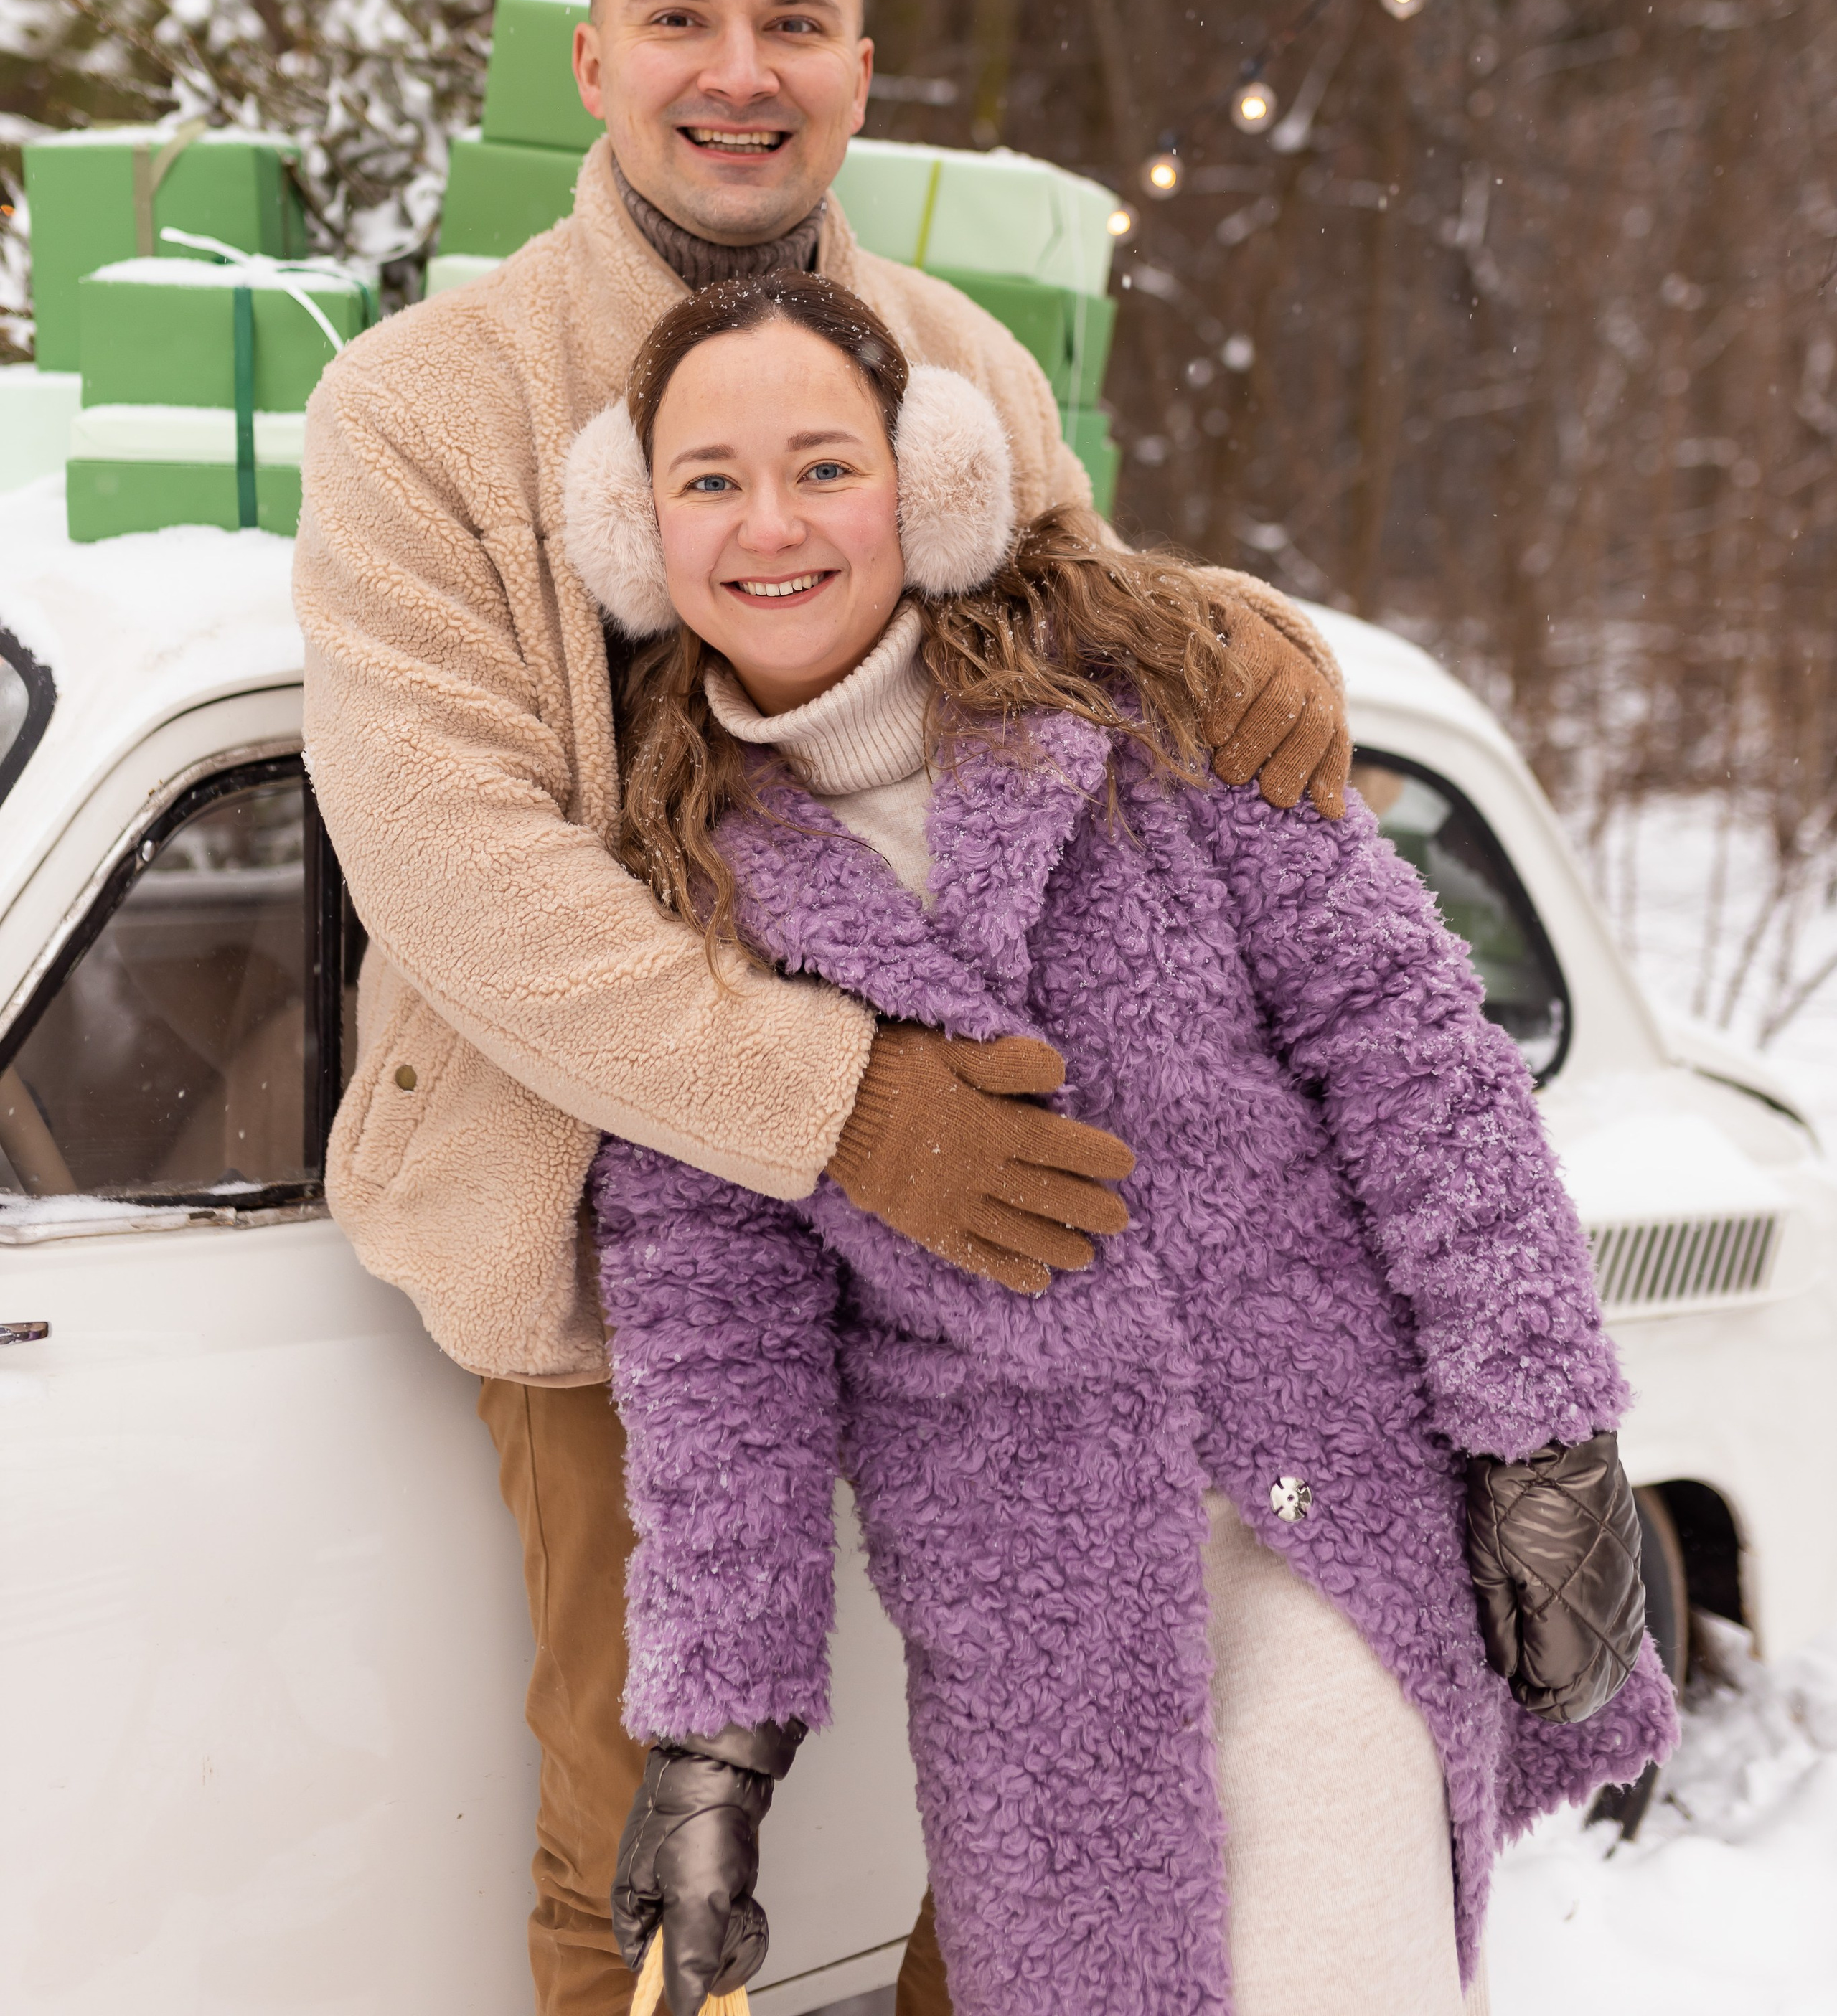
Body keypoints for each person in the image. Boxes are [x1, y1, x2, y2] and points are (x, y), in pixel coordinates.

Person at [295, 0, 1353, 2015]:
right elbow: (456, 865)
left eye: (796, 19)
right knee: (651, 1836)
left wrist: (1248, 623)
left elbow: (1065, 649)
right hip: (625, 1226)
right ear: (592, 58)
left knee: (1053, 1778)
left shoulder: (961, 364)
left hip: (1004, 1192)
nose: (738, 68)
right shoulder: (425, 414)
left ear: (864, 70)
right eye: (679, 15)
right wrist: (838, 1105)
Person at [565, 272, 1678, 2016]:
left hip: (1324, 1499)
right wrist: (717, 1740)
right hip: (1033, 1617)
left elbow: (1410, 1051)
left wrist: (1540, 1442)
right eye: (706, 480)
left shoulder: (1153, 707)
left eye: (821, 466)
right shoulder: (684, 904)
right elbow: (720, 1352)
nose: (767, 525)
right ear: (636, 535)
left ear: (922, 485)